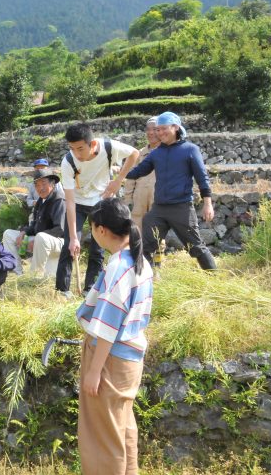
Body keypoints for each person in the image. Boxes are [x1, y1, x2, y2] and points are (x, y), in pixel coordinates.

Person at [75, 197, 153, 475]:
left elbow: (108, 323)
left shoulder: (118, 267)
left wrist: (94, 371)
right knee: (122, 429)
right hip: (130, 359)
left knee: (101, 439)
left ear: (101, 230)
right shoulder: (139, 260)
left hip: (109, 360)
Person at [126, 111, 217, 271]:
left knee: (195, 247)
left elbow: (202, 178)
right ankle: (140, 282)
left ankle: (216, 280)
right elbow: (139, 171)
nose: (159, 133)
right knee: (145, 247)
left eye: (163, 129)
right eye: (157, 130)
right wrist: (119, 173)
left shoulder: (190, 149)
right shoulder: (157, 153)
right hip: (159, 209)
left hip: (181, 208)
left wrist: (207, 204)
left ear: (175, 127)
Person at [56, 124, 139, 297]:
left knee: (98, 246)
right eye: (72, 148)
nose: (77, 154)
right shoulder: (68, 162)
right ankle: (62, 290)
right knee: (69, 245)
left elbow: (134, 154)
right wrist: (73, 237)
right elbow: (69, 202)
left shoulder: (108, 147)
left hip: (101, 200)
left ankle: (90, 288)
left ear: (92, 144)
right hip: (77, 202)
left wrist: (118, 180)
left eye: (80, 148)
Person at [2, 168, 65, 277]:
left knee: (40, 237)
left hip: (59, 243)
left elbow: (60, 229)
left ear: (52, 184)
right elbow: (34, 225)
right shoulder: (40, 201)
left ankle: (34, 276)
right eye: (37, 185)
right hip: (40, 241)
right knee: (8, 234)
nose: (40, 188)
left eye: (44, 184)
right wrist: (24, 232)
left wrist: (38, 238)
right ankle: (17, 272)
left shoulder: (59, 200)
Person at [123, 117, 160, 231]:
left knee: (157, 229)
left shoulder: (166, 152)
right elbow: (130, 178)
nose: (150, 133)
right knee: (136, 229)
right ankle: (137, 249)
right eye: (148, 129)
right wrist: (128, 199)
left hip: (158, 197)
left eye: (154, 129)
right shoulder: (139, 153)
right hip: (139, 198)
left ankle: (157, 249)